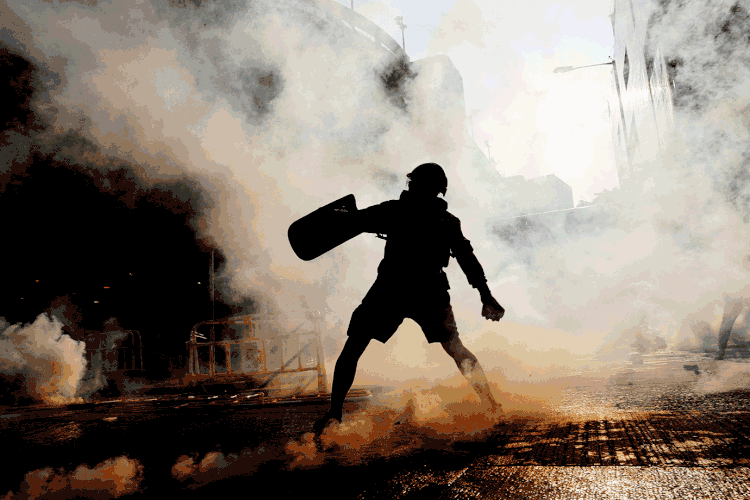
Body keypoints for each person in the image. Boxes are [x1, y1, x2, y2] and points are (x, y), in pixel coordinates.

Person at [313, 163, 505, 434]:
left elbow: (355, 221)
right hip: (428, 290)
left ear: (418, 186)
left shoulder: (396, 211)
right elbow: (466, 259)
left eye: (415, 183)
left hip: (392, 289)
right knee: (455, 348)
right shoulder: (446, 222)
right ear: (439, 191)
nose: (412, 187)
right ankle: (492, 406)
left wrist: (341, 216)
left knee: (354, 346)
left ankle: (334, 416)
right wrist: (486, 296)